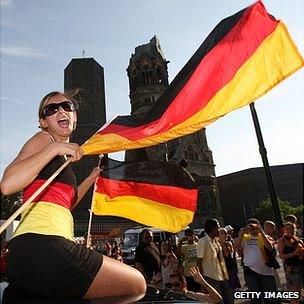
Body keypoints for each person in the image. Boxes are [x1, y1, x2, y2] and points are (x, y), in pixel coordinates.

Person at [0, 91, 146, 302]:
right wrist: (55, 147)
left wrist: (91, 178)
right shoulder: (44, 140)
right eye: (51, 109)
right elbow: (7, 184)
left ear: (74, 117)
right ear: (44, 122)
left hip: (34, 252)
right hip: (42, 245)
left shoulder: (61, 160)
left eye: (66, 106)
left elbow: (67, 203)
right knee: (136, 285)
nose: (60, 110)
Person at [235, 218, 277, 304]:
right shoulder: (245, 238)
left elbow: (270, 247)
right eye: (251, 227)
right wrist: (242, 233)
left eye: (255, 227)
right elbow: (236, 246)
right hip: (250, 273)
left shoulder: (265, 237)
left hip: (266, 272)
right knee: (255, 299)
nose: (253, 230)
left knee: (270, 298)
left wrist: (261, 232)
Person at [197, 219, 233, 304]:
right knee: (218, 301)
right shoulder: (203, 241)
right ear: (212, 229)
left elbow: (225, 256)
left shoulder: (216, 241)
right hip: (210, 278)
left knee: (229, 300)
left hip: (222, 277)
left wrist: (224, 243)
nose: (219, 229)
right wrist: (202, 282)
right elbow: (199, 262)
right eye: (218, 227)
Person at [278, 222, 303, 304]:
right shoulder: (282, 240)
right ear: (284, 230)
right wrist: (294, 253)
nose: (290, 230)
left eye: (292, 228)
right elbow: (281, 256)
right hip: (292, 269)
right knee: (295, 293)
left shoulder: (298, 240)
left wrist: (301, 254)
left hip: (301, 266)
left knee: (299, 292)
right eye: (288, 228)